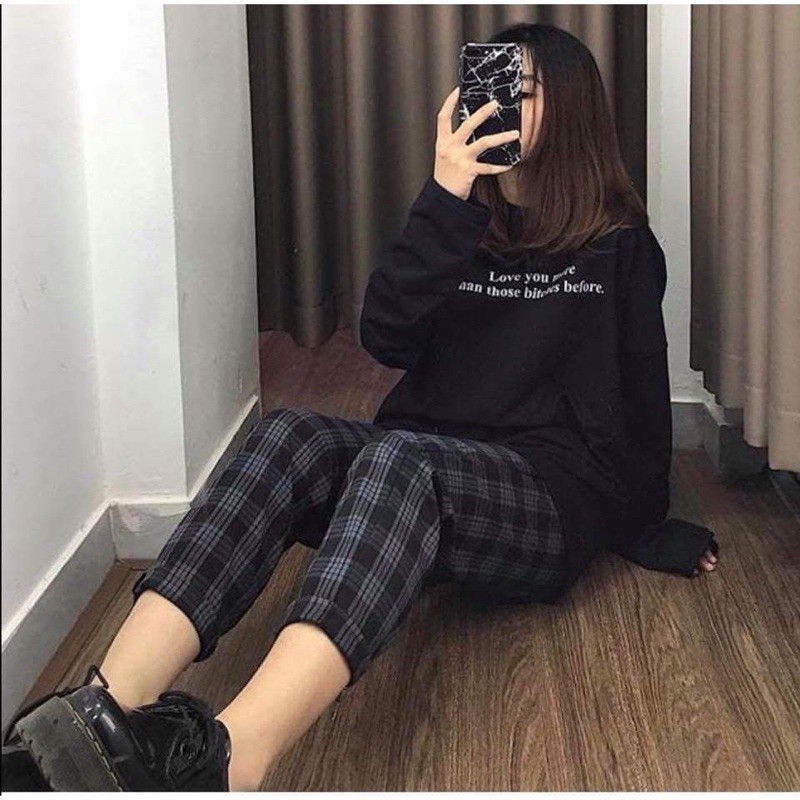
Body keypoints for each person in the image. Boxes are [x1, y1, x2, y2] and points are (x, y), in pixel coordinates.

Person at [0, 22, 719, 793]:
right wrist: (445, 199)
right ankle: (101, 714)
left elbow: (637, 402)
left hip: (542, 491)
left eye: (526, 91)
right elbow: (387, 336)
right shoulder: (457, 224)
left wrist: (646, 526)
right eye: (490, 84)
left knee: (402, 457)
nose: (497, 104)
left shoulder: (618, 247)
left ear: (572, 108)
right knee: (288, 435)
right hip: (412, 474)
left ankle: (231, 762)